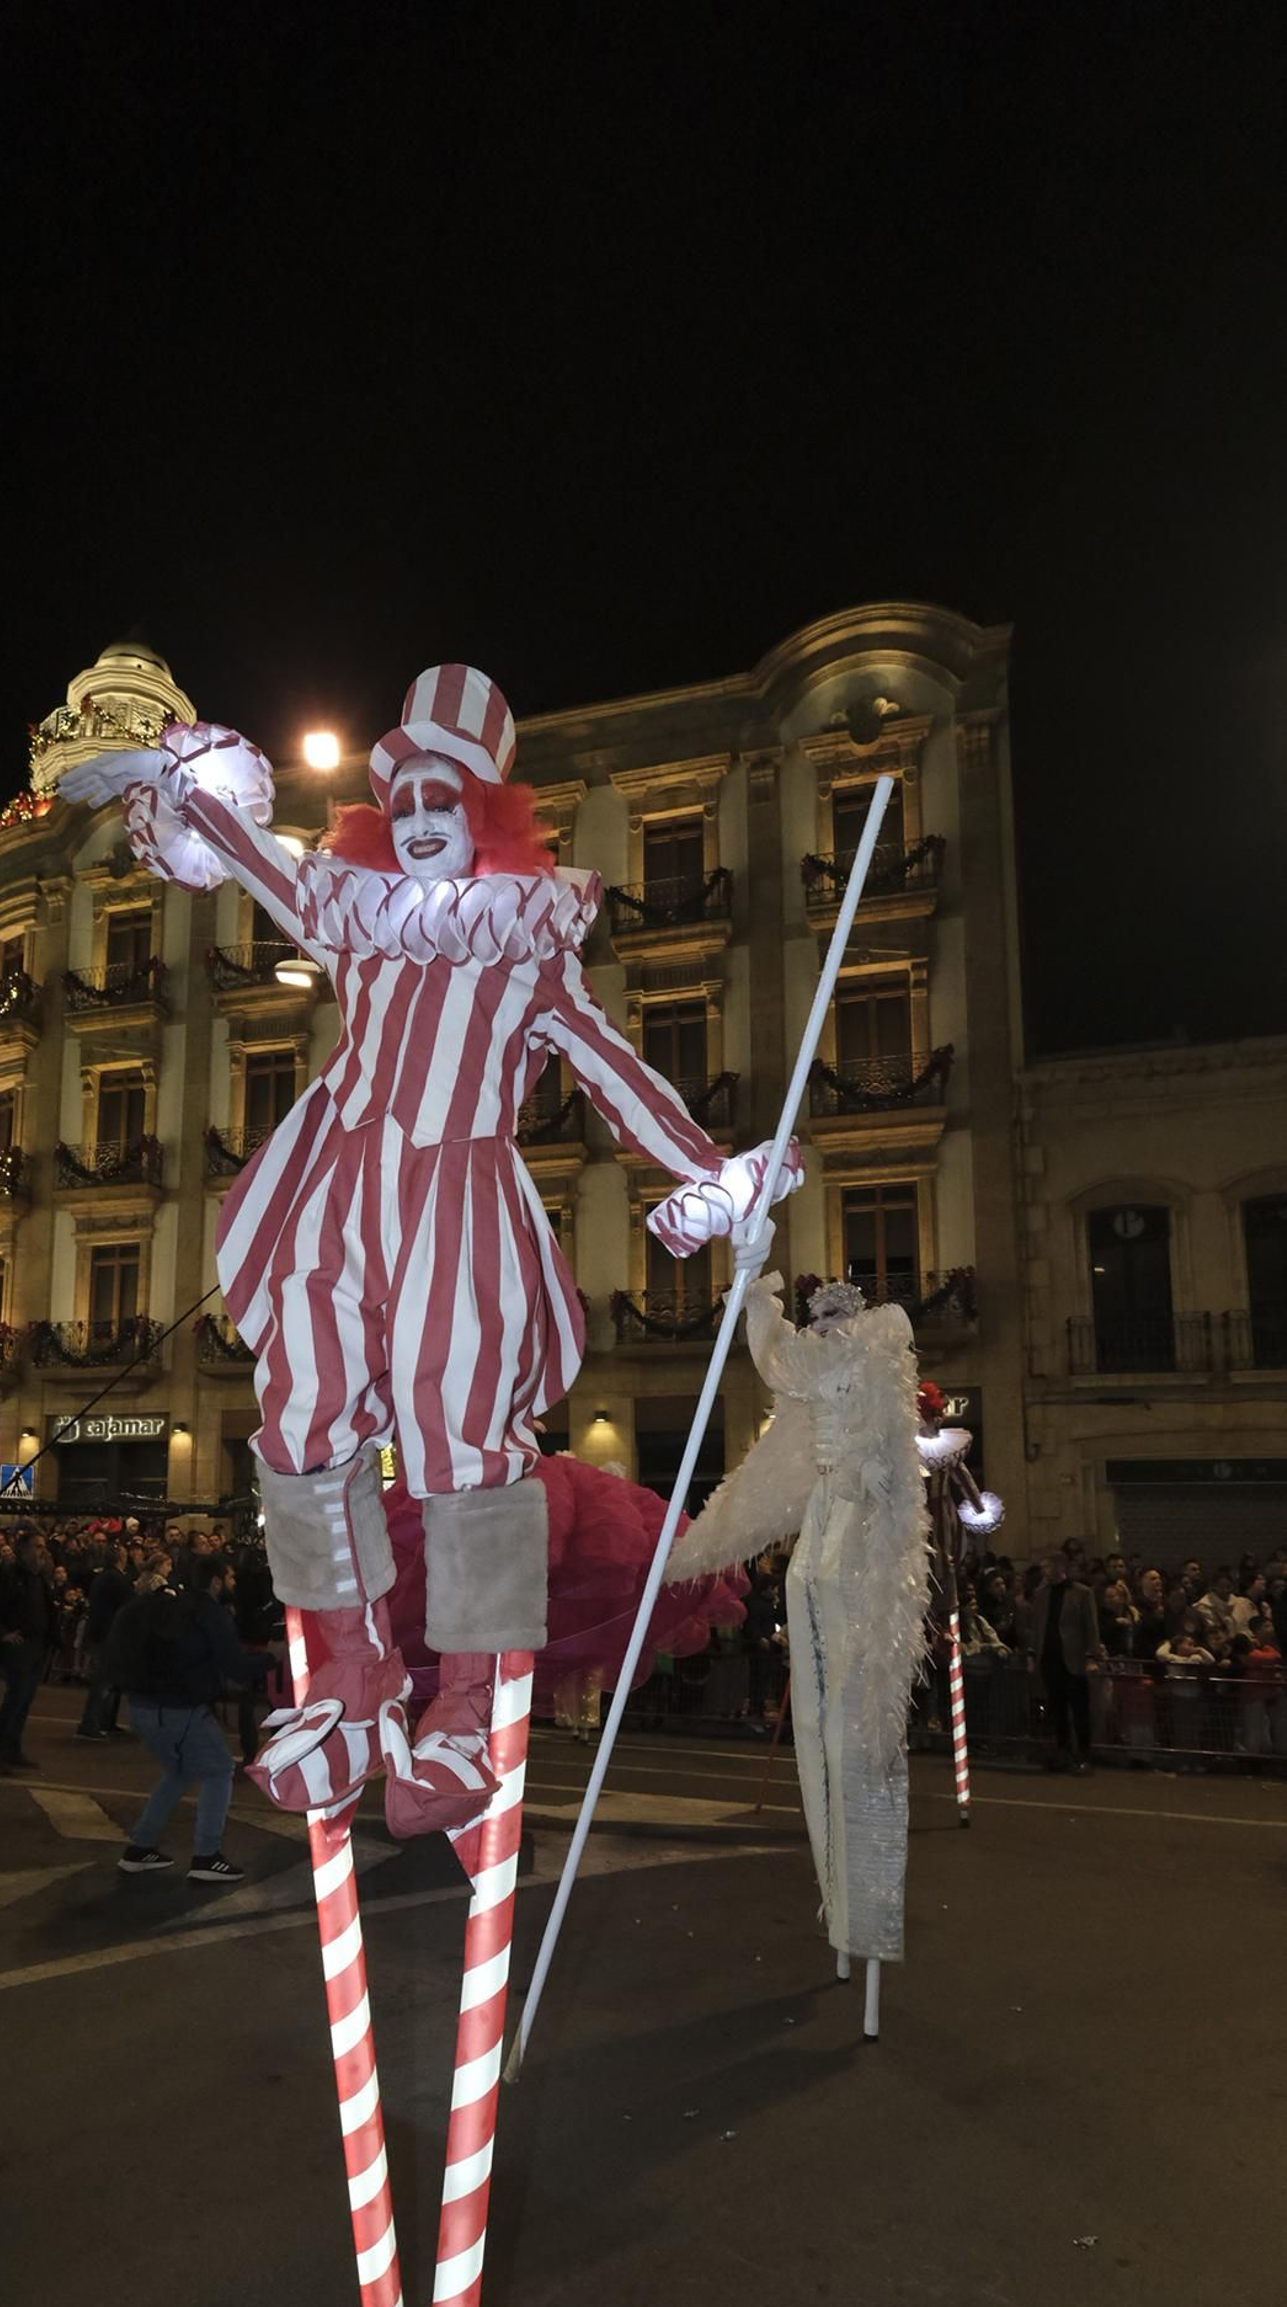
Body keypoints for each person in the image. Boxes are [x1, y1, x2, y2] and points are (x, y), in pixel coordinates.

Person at [62, 666, 799, 1835]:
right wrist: (185, 785)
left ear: (484, 814)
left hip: (457, 1196)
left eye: (439, 800)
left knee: (460, 1451)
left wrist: (709, 1170)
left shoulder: (525, 945)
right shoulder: (354, 919)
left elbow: (612, 1068)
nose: (415, 820)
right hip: (339, 1189)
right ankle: (352, 1678)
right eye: (398, 799)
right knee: (303, 1428)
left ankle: (465, 1699)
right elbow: (254, 856)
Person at [669, 1272, 928, 1969]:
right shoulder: (807, 1369)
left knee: (850, 1725)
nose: (822, 1329)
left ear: (853, 1321)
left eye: (832, 1318)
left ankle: (862, 1915)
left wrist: (873, 1475)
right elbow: (774, 1355)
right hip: (819, 1531)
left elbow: (894, 1450)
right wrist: (756, 1296)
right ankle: (839, 1908)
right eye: (816, 1320)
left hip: (858, 1536)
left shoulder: (879, 1360)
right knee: (814, 1721)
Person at [101, 1555, 267, 1882]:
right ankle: (207, 1856)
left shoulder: (168, 1606)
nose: (233, 1583)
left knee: (179, 1772)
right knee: (220, 1769)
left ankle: (140, 1848)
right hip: (180, 1709)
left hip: (142, 1707)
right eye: (230, 1577)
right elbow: (236, 1667)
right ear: (216, 1582)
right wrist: (271, 1658)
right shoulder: (208, 1612)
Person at [0, 1528, 55, 1773]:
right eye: (37, 1546)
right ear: (24, 1550)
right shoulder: (10, 1574)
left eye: (43, 1546)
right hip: (20, 1645)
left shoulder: (37, 1577)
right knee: (15, 1699)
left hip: (37, 1644)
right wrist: (2, 1633)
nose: (42, 1551)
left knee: (25, 1700)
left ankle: (12, 1748)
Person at [1030, 1548, 1102, 1772]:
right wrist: (1032, 1653)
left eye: (1047, 1566)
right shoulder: (1041, 1594)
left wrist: (1091, 1656)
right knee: (1057, 1709)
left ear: (1059, 1566)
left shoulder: (1082, 1593)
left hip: (1074, 1659)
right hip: (1050, 1659)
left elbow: (1091, 1627)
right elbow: (1036, 1626)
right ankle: (1063, 1752)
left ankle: (1084, 1753)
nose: (1044, 1571)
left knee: (1080, 1709)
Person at [76, 1541, 133, 1740]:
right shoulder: (116, 1579)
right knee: (103, 1681)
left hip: (101, 1632)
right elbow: (129, 1604)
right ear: (120, 1558)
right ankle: (91, 1722)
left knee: (109, 1679)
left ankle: (105, 1721)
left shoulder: (102, 1577)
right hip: (108, 1634)